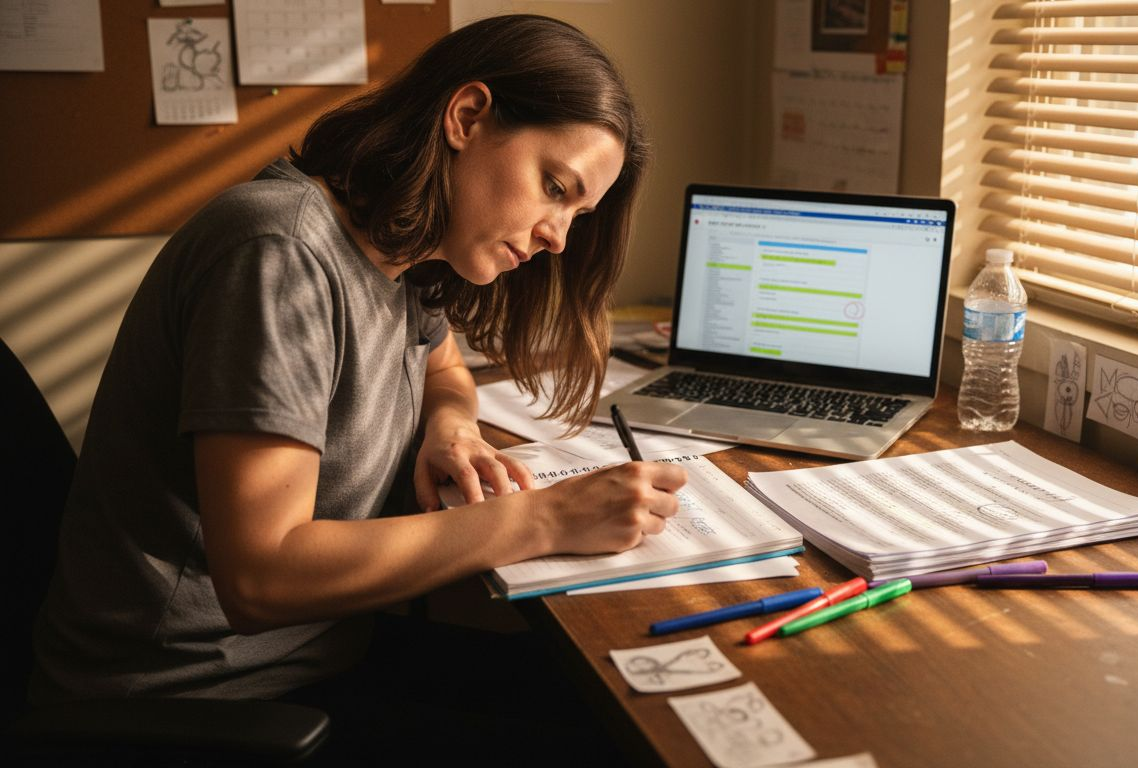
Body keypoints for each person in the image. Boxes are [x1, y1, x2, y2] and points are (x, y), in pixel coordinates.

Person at [30, 14, 685, 760]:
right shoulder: (278, 255)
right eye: (554, 187)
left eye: (577, 213)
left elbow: (441, 367)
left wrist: (453, 429)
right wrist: (545, 520)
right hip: (199, 702)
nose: (558, 238)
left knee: (626, 704)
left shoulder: (399, 248)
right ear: (467, 117)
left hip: (316, 654)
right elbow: (262, 576)